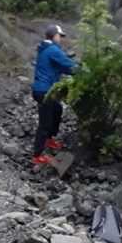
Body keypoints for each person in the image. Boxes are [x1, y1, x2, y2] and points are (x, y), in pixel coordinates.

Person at [31, 24, 77, 165]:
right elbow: (69, 65)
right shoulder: (52, 50)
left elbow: (63, 67)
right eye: (60, 36)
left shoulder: (47, 49)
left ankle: (50, 139)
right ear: (54, 36)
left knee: (57, 109)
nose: (61, 39)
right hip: (44, 91)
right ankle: (37, 155)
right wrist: (85, 71)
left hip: (43, 89)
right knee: (45, 123)